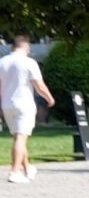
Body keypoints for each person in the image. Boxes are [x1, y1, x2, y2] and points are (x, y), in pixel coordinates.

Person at [2, 32, 54, 183]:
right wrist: (49, 98)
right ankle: (14, 172)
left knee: (18, 137)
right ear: (25, 46)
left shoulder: (2, 62)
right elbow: (39, 85)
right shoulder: (28, 62)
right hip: (24, 103)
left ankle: (27, 168)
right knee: (21, 137)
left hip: (7, 104)